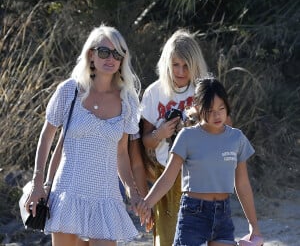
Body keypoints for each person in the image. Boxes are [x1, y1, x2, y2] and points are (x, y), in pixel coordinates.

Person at [25, 25, 142, 246]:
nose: (111, 58)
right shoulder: (69, 91)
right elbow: (46, 138)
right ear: (91, 54)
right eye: (104, 52)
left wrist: (133, 192)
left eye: (117, 54)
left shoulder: (128, 100)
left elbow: (122, 155)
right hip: (68, 194)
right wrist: (38, 183)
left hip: (106, 200)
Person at [137, 77, 263, 246]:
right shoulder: (187, 136)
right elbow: (168, 178)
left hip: (222, 215)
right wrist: (147, 203)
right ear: (197, 107)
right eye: (210, 110)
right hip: (192, 215)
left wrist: (253, 226)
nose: (217, 115)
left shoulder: (236, 138)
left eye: (221, 108)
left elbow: (242, 184)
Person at [140, 29, 208, 245]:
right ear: (167, 62)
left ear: (195, 64)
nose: (180, 71)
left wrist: (199, 120)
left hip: (197, 175)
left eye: (186, 65)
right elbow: (146, 141)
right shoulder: (154, 92)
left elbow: (227, 126)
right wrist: (160, 133)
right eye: (176, 64)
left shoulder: (202, 91)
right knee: (168, 238)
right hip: (165, 174)